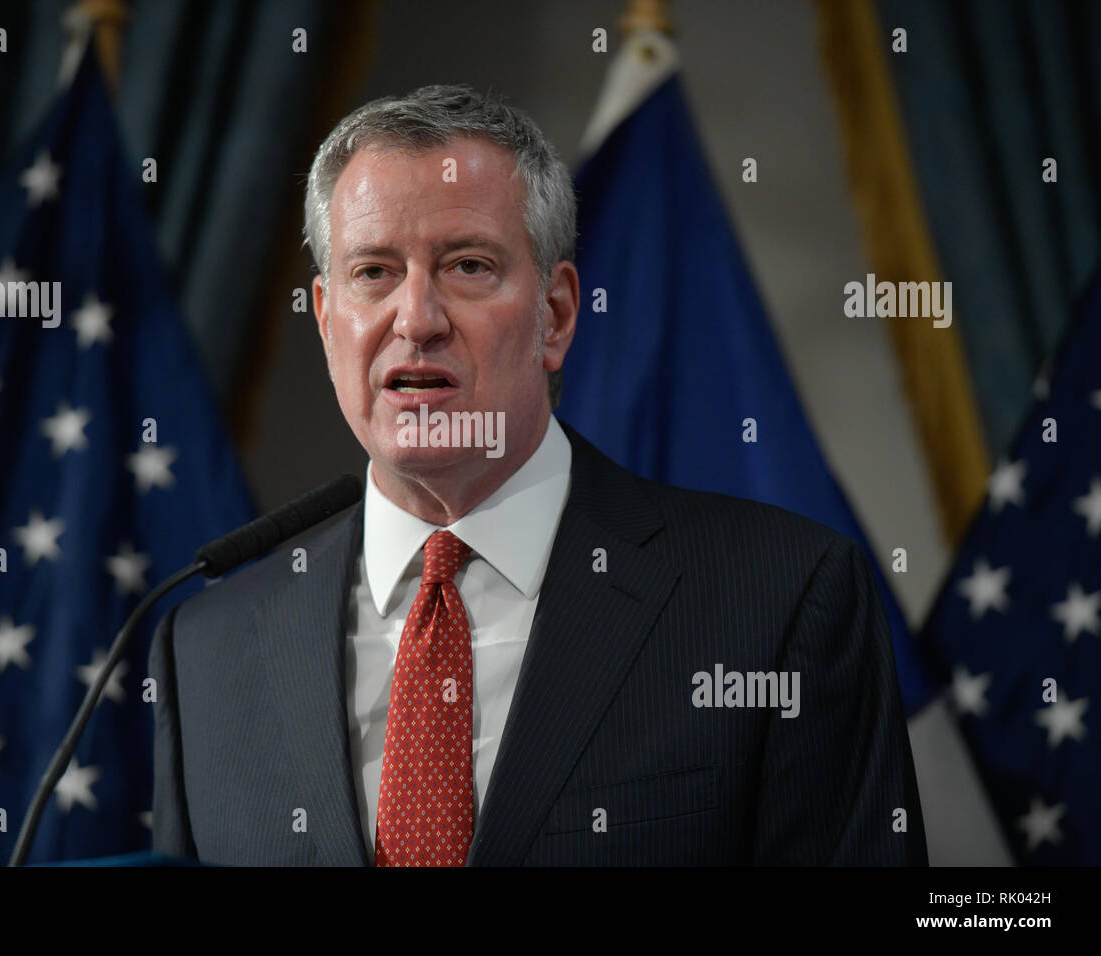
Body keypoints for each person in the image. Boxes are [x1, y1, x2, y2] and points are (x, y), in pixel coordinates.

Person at [149, 83, 927, 866]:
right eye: (374, 273)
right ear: (326, 319)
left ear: (554, 316)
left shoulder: (780, 598)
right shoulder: (207, 650)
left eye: (467, 265)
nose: (416, 319)